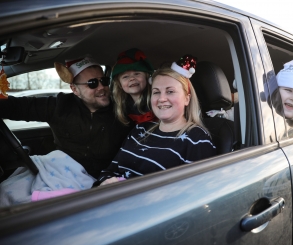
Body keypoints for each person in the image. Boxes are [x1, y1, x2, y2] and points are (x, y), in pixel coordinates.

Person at [0, 55, 132, 179]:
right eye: (92, 83)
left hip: (107, 181)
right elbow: (16, 107)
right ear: (75, 90)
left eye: (104, 81)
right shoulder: (60, 105)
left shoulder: (121, 109)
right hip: (63, 175)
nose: (101, 87)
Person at [94, 54, 217, 186]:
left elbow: (195, 193)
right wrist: (105, 184)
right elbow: (109, 171)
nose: (161, 98)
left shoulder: (196, 139)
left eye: (170, 91)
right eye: (156, 92)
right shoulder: (140, 129)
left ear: (187, 99)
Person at [111, 48, 157, 125]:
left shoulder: (154, 99)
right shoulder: (124, 105)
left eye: (137, 74)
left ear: (146, 78)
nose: (132, 78)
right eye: (125, 77)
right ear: (120, 85)